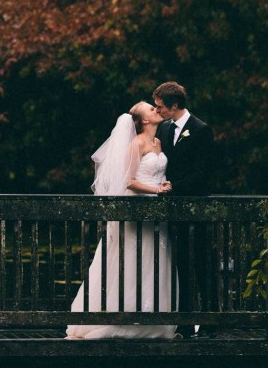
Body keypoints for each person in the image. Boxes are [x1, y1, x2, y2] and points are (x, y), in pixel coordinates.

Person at [66, 102, 178, 339]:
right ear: (144, 120)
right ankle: (124, 317)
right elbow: (128, 181)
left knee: (154, 259)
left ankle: (156, 319)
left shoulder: (159, 142)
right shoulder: (135, 144)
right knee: (132, 259)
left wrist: (163, 185)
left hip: (157, 213)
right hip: (136, 209)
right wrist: (155, 191)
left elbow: (156, 173)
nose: (156, 110)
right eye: (151, 109)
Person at [152, 81, 215, 338]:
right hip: (173, 210)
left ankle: (211, 321)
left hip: (195, 208)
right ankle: (185, 322)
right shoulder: (165, 129)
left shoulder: (201, 130)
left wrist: (174, 186)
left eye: (160, 106)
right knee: (179, 266)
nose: (157, 111)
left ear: (174, 105)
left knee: (201, 264)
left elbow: (204, 172)